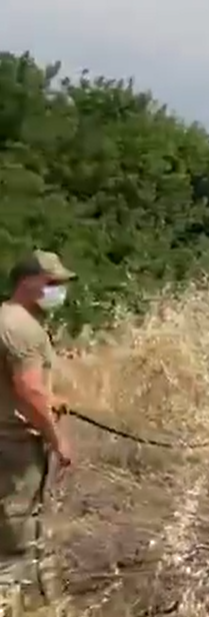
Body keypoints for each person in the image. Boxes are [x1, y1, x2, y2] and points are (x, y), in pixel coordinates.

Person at [0, 251, 76, 614]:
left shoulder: (4, 318)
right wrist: (57, 439)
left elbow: (18, 386)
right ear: (26, 281)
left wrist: (48, 398)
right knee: (15, 534)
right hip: (14, 444)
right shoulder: (24, 329)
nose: (58, 290)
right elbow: (28, 390)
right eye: (51, 282)